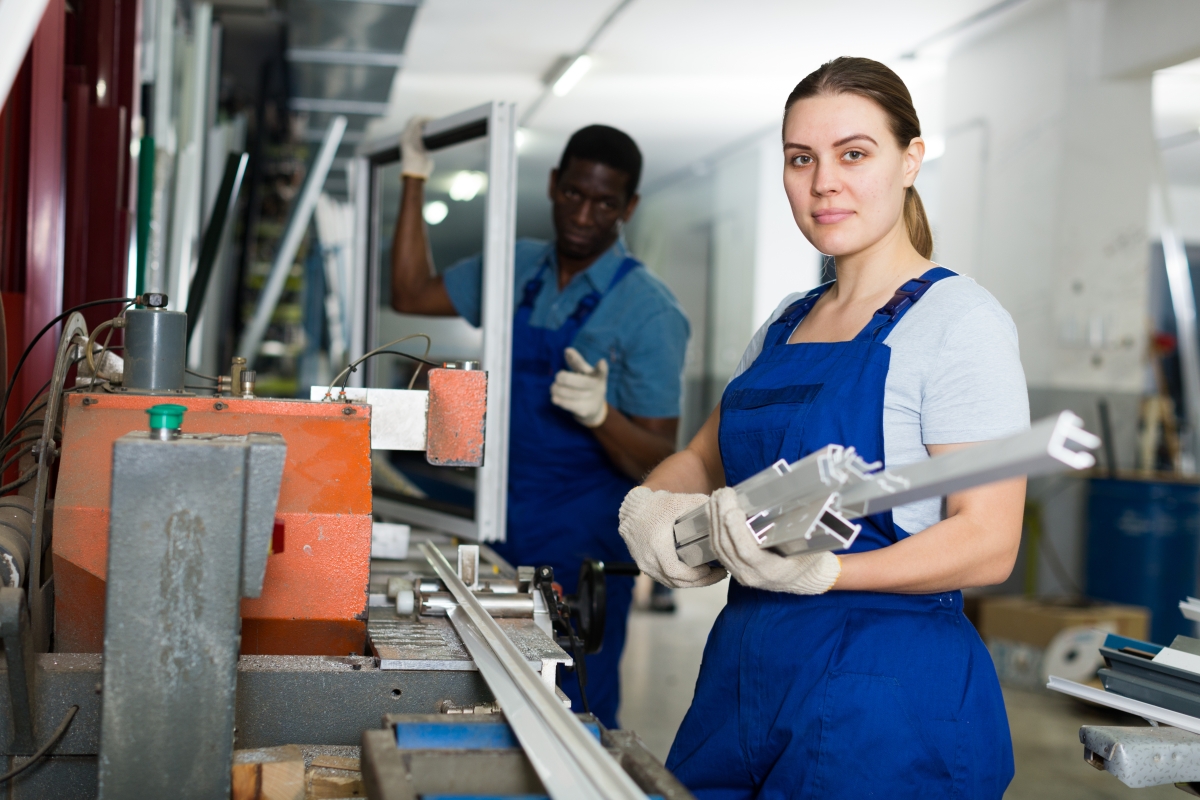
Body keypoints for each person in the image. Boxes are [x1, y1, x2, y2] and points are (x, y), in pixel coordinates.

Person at [618, 56, 1027, 798]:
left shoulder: (960, 324)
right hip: (746, 672)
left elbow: (989, 540)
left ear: (910, 160)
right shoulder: (784, 324)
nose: (823, 183)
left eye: (854, 154)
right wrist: (650, 503)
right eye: (800, 159)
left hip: (886, 695)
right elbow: (705, 457)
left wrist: (833, 571)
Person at [391, 122, 689, 729]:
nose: (584, 214)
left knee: (572, 711)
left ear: (628, 208)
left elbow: (662, 462)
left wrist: (603, 417)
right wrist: (413, 180)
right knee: (480, 697)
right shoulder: (517, 267)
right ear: (554, 185)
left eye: (605, 203)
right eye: (575, 194)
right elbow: (409, 292)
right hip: (497, 527)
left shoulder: (650, 312)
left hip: (582, 549)